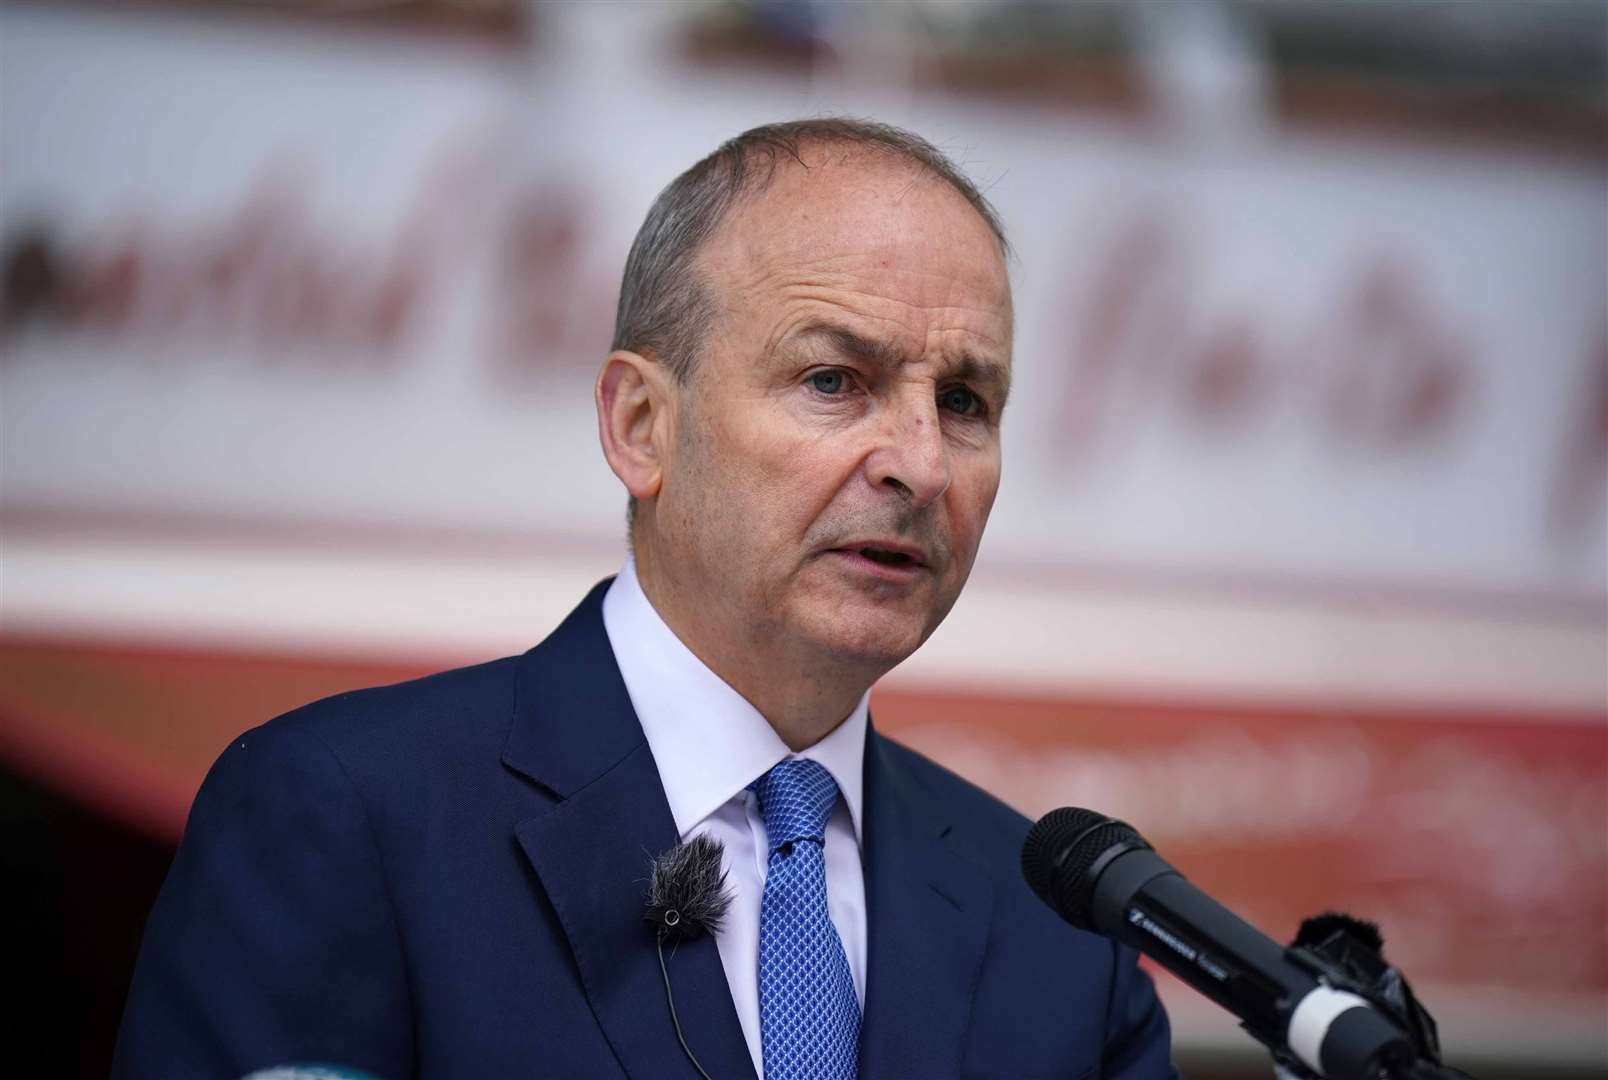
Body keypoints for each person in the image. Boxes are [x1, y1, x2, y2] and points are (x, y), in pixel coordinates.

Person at [113, 119, 1175, 1079]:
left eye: (963, 402)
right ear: (639, 426)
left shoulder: (1064, 937)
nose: (920, 465)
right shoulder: (347, 817)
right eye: (832, 380)